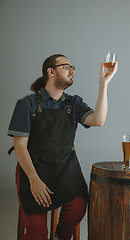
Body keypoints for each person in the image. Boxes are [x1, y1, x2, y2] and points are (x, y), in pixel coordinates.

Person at [7, 54, 118, 240]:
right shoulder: (27, 104)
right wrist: (34, 179)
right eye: (67, 66)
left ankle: (62, 236)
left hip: (66, 170)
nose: (72, 70)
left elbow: (98, 120)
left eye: (72, 67)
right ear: (51, 71)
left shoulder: (74, 103)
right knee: (37, 234)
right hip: (33, 171)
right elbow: (19, 145)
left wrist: (104, 84)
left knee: (78, 206)